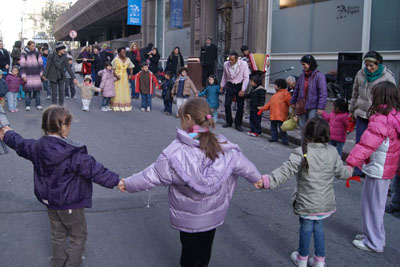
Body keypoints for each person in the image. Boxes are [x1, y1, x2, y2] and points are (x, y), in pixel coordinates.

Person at [118, 98, 262, 267]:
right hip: (213, 214)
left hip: (188, 219)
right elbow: (245, 166)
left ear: (187, 118)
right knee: (204, 251)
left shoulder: (175, 153)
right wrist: (259, 179)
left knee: (189, 254)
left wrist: (127, 184)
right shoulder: (224, 146)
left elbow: (150, 175)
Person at [0, 106, 121, 267]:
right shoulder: (73, 153)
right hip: (70, 202)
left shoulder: (36, 147)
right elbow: (95, 170)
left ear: (45, 126)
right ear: (64, 128)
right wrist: (117, 181)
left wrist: (7, 132)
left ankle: (57, 262)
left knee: (57, 234)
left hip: (50, 201)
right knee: (78, 236)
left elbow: (20, 144)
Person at [254, 117, 352, 267]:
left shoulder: (301, 152)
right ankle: (319, 260)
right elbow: (342, 173)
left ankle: (302, 258)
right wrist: (350, 170)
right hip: (325, 204)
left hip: (306, 203)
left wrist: (268, 181)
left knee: (306, 228)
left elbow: (285, 171)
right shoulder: (332, 152)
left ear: (306, 133)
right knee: (318, 227)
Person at [346, 81, 400, 253]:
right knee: (372, 204)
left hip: (380, 167)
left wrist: (351, 163)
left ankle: (374, 242)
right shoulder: (393, 115)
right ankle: (374, 236)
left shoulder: (382, 118)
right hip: (383, 167)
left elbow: (366, 144)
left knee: (371, 205)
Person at [349, 51, 396, 176]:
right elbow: (354, 93)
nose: (368, 68)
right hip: (361, 113)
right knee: (360, 142)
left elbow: (392, 98)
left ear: (378, 63)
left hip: (378, 116)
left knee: (373, 144)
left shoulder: (387, 77)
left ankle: (371, 169)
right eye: (366, 65)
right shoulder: (360, 73)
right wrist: (351, 110)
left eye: (372, 65)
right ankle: (359, 169)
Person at [290, 55, 327, 130]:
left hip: (313, 105)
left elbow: (323, 93)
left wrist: (321, 107)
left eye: (304, 64)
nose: (303, 66)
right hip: (302, 105)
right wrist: (293, 102)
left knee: (311, 126)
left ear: (310, 64)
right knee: (302, 125)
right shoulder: (302, 76)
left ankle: (310, 141)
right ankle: (304, 141)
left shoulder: (319, 76)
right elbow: (296, 90)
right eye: (302, 64)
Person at [220, 51, 250, 132]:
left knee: (240, 106)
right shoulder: (226, 64)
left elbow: (246, 77)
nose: (230, 61)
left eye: (232, 60)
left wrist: (243, 89)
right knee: (227, 104)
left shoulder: (243, 64)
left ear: (237, 59)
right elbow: (224, 75)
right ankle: (228, 122)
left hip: (239, 85)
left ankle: (238, 124)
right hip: (230, 85)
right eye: (229, 59)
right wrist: (222, 85)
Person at [258, 79, 291, 145]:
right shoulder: (282, 94)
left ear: (279, 86)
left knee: (280, 128)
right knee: (279, 128)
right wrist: (262, 108)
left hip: (278, 115)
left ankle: (281, 139)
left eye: (275, 85)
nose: (274, 86)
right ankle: (280, 139)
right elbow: (269, 105)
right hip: (278, 115)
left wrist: (262, 109)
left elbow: (290, 102)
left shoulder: (284, 94)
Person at [20, 41, 44, 111]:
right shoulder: (24, 54)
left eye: (34, 46)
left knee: (37, 91)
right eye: (32, 46)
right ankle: (27, 105)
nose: (34, 47)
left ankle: (38, 104)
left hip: (36, 75)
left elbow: (40, 64)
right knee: (28, 91)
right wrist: (23, 75)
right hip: (28, 75)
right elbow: (22, 66)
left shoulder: (37, 53)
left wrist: (42, 74)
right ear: (28, 46)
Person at [110, 47, 134, 112]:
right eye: (122, 52)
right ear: (119, 53)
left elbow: (131, 67)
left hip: (125, 77)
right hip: (117, 77)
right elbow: (113, 69)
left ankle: (125, 105)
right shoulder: (116, 60)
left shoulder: (128, 59)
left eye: (125, 52)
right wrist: (116, 75)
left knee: (125, 90)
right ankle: (116, 105)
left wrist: (130, 75)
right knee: (117, 91)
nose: (124, 53)